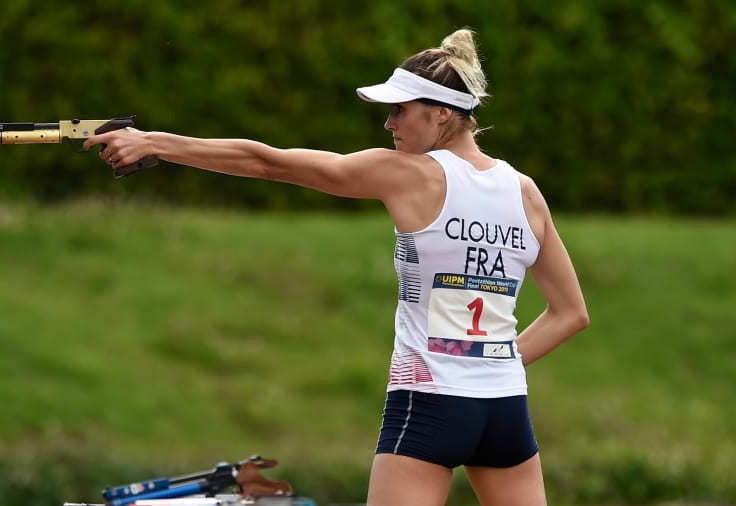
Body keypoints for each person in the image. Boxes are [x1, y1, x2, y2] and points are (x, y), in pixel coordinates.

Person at [84, 28, 589, 506]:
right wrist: (489, 365)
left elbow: (268, 162)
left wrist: (152, 142)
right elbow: (570, 314)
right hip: (504, 410)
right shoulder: (524, 191)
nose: (389, 124)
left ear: (440, 114)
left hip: (429, 403)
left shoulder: (410, 173)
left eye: (399, 110)